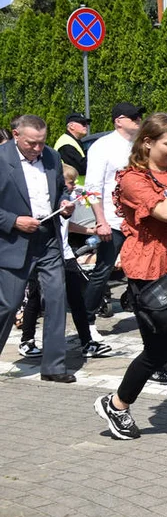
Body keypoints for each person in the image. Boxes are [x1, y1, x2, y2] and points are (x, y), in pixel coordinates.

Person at [93, 113, 167, 440]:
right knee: (158, 352)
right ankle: (117, 403)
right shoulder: (133, 180)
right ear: (147, 142)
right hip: (151, 274)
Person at [0, 115, 76, 381]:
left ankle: (54, 367)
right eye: (32, 143)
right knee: (8, 305)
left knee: (56, 301)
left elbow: (60, 191)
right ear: (15, 135)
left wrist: (66, 203)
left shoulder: (52, 157)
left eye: (42, 143)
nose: (37, 149)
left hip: (48, 239)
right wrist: (14, 221)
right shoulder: (1, 159)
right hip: (13, 242)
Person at [18, 164, 112, 360]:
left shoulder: (68, 200)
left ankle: (86, 342)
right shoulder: (47, 200)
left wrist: (91, 229)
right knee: (35, 298)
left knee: (76, 298)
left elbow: (68, 224)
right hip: (44, 255)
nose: (73, 185)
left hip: (66, 254)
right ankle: (27, 341)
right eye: (70, 182)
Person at [84, 102, 143, 322]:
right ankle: (87, 320)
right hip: (112, 220)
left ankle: (139, 307)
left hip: (137, 220)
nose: (138, 120)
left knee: (139, 268)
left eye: (138, 117)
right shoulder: (103, 146)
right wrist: (101, 221)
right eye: (133, 117)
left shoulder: (138, 146)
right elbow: (91, 188)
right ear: (119, 120)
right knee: (103, 271)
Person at [54, 113, 91, 177]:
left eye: (87, 123)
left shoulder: (74, 141)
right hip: (72, 185)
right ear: (71, 126)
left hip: (76, 185)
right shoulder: (66, 144)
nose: (86, 126)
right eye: (83, 123)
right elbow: (81, 168)